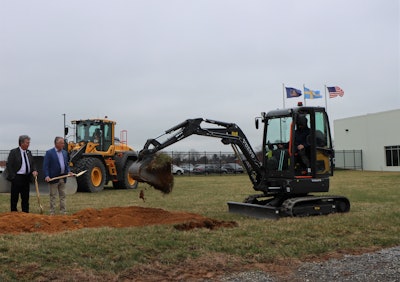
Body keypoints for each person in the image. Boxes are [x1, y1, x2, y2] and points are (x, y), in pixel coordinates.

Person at [6, 135, 38, 213]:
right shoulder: (14, 152)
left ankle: (25, 212)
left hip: (26, 178)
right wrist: (13, 176)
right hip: (17, 177)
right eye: (27, 142)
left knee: (25, 197)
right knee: (14, 197)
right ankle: (13, 213)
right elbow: (9, 164)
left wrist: (34, 170)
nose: (28, 144)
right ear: (21, 143)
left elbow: (32, 163)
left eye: (29, 142)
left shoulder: (29, 152)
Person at [43, 136, 73, 215]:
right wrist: (47, 176)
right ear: (56, 143)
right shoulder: (49, 153)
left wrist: (69, 172)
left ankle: (63, 211)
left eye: (63, 143)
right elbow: (45, 166)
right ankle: (52, 211)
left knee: (63, 195)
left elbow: (67, 164)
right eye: (62, 143)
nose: (63, 145)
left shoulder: (65, 153)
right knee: (53, 196)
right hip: (54, 178)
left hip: (63, 177)